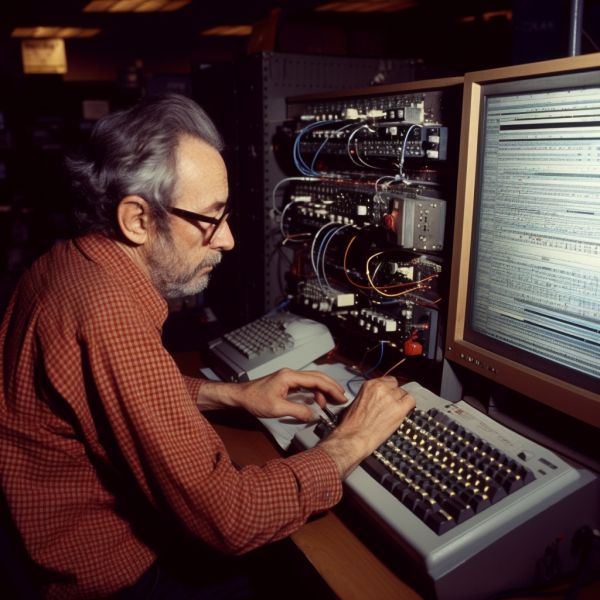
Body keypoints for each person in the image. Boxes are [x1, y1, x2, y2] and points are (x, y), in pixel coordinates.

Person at [0, 94, 415, 599]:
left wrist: (232, 396)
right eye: (210, 218)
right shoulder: (107, 314)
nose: (229, 240)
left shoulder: (65, 264)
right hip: (113, 580)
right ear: (137, 220)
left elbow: (105, 390)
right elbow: (231, 518)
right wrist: (352, 440)